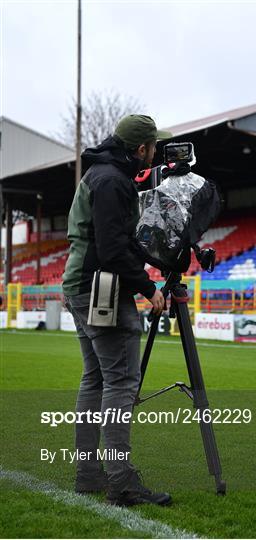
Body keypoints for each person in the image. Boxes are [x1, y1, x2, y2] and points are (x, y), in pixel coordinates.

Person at [62, 114, 172, 507]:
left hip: (80, 283)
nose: (155, 153)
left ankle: (89, 474)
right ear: (141, 149)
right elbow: (112, 249)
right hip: (100, 288)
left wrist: (154, 264)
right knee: (121, 382)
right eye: (153, 147)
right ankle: (121, 481)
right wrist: (147, 287)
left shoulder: (102, 173)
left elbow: (118, 241)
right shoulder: (113, 181)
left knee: (95, 380)